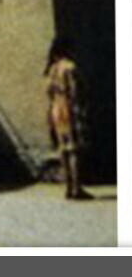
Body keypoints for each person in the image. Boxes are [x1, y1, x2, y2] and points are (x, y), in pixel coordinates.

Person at [45, 36, 91, 200]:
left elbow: (48, 91)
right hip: (68, 108)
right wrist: (80, 109)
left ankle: (68, 186)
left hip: (56, 108)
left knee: (63, 148)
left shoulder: (52, 69)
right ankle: (77, 187)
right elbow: (75, 90)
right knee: (74, 149)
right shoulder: (70, 67)